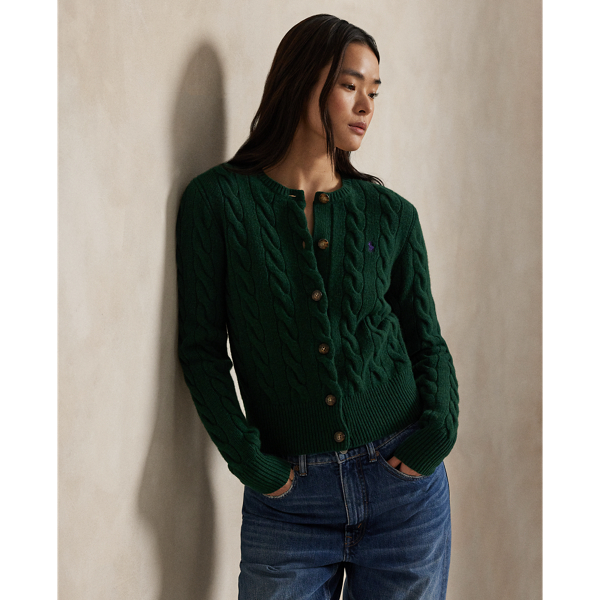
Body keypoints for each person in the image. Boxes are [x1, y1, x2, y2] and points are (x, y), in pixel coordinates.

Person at [176, 13, 459, 600]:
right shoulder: (218, 203)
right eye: (350, 85)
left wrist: (438, 432)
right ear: (303, 80)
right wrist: (253, 463)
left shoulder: (391, 214)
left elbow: (425, 339)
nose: (365, 106)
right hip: (289, 503)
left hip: (403, 488)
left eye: (374, 91)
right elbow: (201, 350)